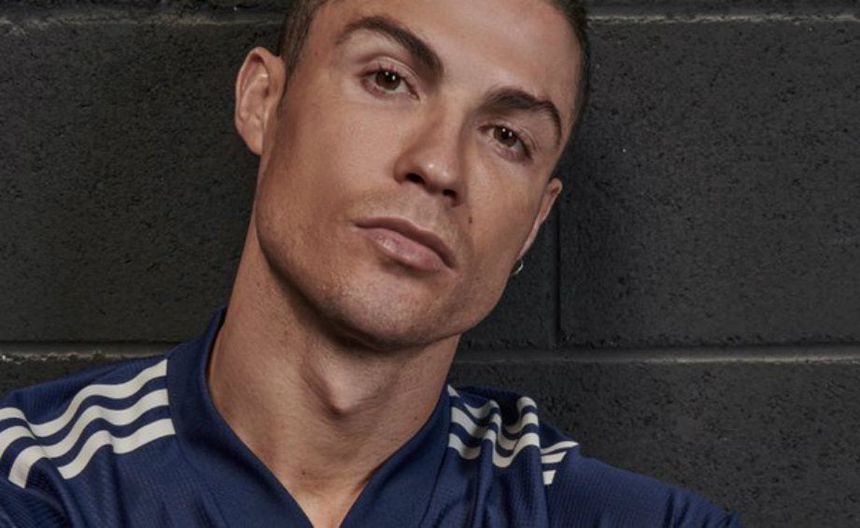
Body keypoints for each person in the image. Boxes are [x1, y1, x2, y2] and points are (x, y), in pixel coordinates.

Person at [0, 0, 743, 526]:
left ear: (533, 225)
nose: (439, 165)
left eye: (506, 136)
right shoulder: (35, 481)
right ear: (264, 101)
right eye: (389, 79)